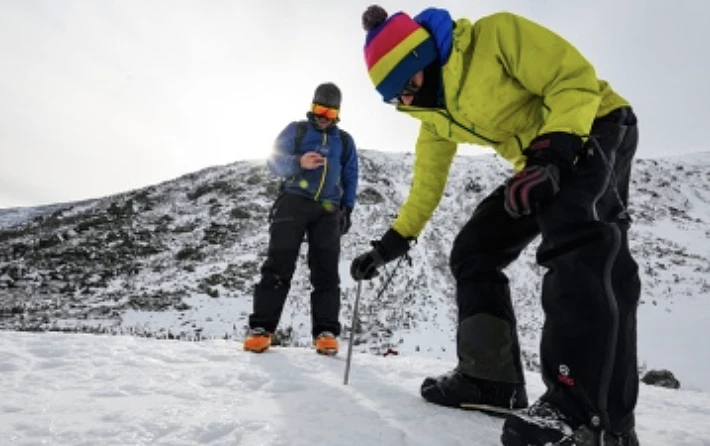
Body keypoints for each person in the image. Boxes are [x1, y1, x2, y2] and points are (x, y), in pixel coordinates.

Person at [351, 5, 640, 445]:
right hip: (541, 161)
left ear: (421, 61)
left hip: (594, 123)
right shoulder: (436, 121)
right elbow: (424, 190)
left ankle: (587, 416)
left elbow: (573, 77)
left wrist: (553, 154)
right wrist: (387, 247)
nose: (406, 102)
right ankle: (491, 381)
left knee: (578, 236)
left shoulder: (494, 37)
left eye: (406, 87)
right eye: (396, 98)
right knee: (474, 249)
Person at [245, 82, 359, 356]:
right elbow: (273, 162)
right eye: (319, 110)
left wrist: (347, 209)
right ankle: (261, 329)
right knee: (278, 265)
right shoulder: (296, 131)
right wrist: (298, 162)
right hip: (293, 203)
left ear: (337, 114)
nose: (323, 117)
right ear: (312, 107)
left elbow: (350, 176)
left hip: (328, 209)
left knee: (326, 271)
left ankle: (325, 333)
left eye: (329, 113)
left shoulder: (344, 141)